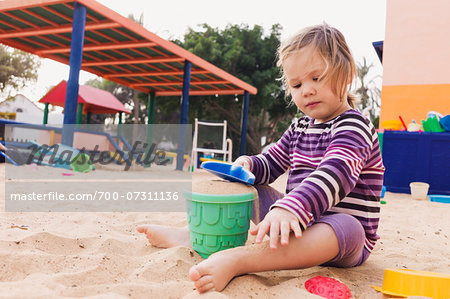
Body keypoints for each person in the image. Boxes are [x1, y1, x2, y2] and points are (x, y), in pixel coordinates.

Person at [137, 23, 384, 293]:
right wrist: (248, 165)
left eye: (317, 78)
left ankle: (241, 259)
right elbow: (271, 162)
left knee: (349, 227)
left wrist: (292, 206)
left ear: (345, 73)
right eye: (297, 84)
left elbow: (336, 172)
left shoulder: (354, 126)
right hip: (296, 222)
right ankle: (196, 234)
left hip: (340, 238)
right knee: (248, 186)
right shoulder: (300, 127)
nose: (307, 90)